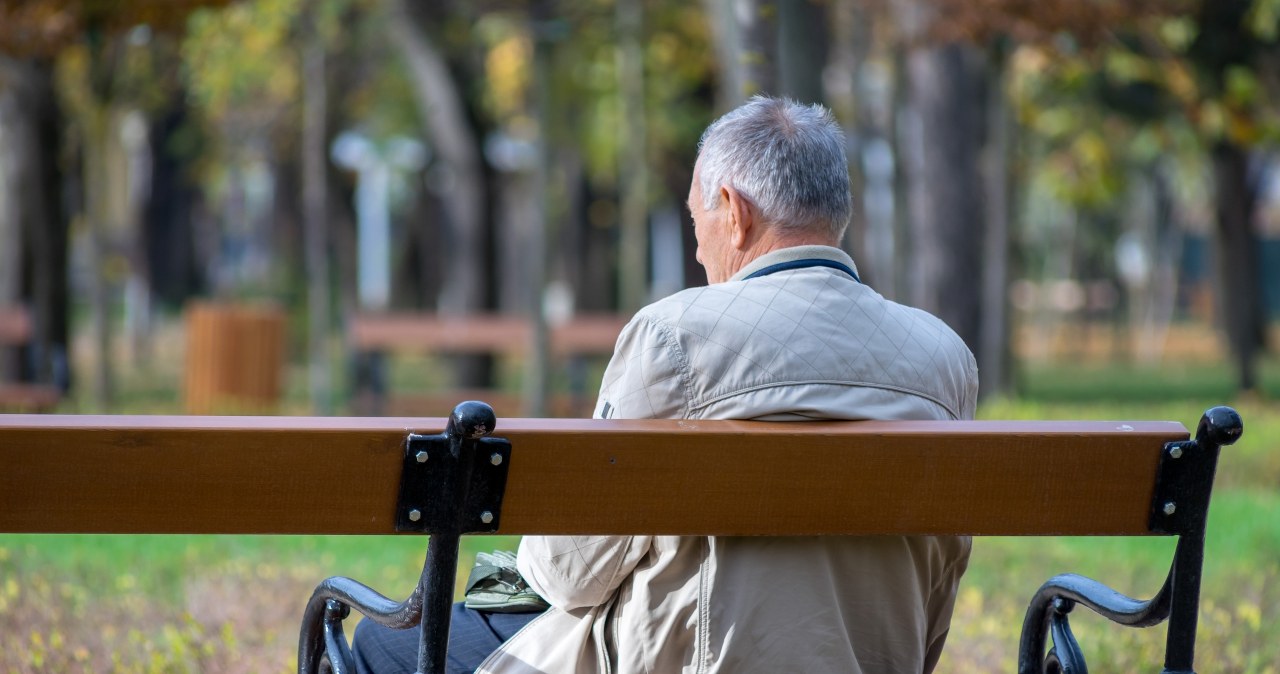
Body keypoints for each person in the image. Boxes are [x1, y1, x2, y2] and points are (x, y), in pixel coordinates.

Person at [352, 96, 978, 674]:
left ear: (733, 213)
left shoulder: (677, 335)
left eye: (696, 220)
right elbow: (939, 576)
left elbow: (572, 574)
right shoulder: (942, 354)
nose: (700, 251)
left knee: (379, 643)